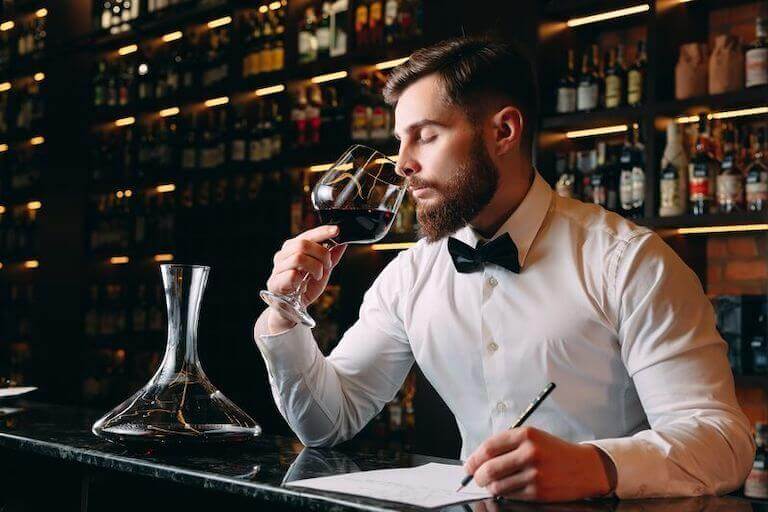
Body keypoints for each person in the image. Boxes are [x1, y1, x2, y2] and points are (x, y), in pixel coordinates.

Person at [253, 36, 754, 502]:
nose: (402, 164)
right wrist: (285, 312)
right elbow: (327, 422)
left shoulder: (629, 262)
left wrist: (593, 465)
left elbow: (722, 442)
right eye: (399, 141)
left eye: (424, 136)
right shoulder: (410, 275)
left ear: (504, 131)